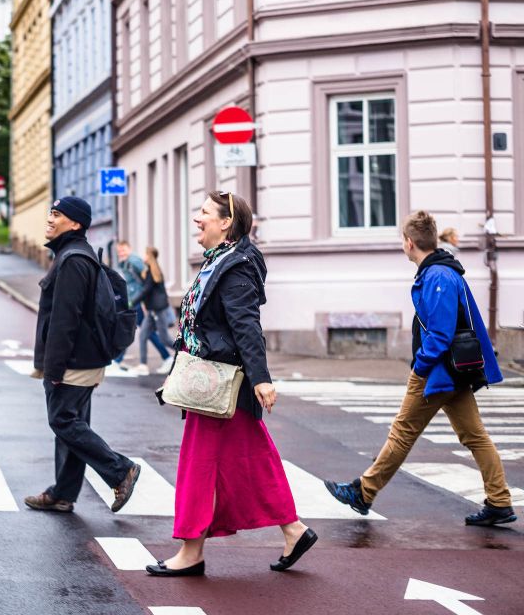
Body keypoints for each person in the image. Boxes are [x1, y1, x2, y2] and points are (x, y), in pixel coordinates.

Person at [146, 191, 316, 578]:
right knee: (252, 461)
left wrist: (262, 379)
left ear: (226, 223)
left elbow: (245, 325)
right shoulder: (219, 261)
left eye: (204, 213)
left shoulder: (234, 266)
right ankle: (293, 530)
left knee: (199, 465)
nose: (196, 219)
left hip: (220, 384)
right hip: (215, 380)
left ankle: (191, 551)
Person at [325, 211, 514, 526]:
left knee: (402, 433)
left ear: (409, 243)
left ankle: (364, 492)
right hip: (453, 371)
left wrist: (421, 367)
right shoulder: (442, 272)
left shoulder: (438, 276)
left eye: (403, 240)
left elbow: (440, 333)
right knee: (475, 435)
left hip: (438, 371)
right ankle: (499, 501)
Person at [24, 196, 141, 514]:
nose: (50, 218)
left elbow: (66, 319)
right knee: (73, 424)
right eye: (50, 212)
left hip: (74, 361)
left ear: (75, 224)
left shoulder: (73, 260)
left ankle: (120, 470)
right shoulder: (74, 255)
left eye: (57, 214)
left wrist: (53, 369)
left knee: (63, 421)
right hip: (83, 358)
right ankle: (63, 492)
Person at [113, 241, 169, 371]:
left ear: (129, 249)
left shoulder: (134, 260)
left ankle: (119, 360)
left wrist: (141, 300)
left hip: (137, 301)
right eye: (119, 251)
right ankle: (166, 357)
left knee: (130, 328)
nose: (121, 253)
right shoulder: (126, 262)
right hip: (135, 299)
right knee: (145, 332)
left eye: (123, 250)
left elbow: (146, 278)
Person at [130, 247, 172, 376]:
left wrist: (132, 302)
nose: (144, 257)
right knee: (143, 335)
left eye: (146, 254)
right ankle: (143, 365)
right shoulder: (149, 272)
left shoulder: (154, 272)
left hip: (158, 310)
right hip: (152, 310)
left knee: (165, 338)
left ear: (150, 256)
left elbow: (145, 290)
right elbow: (145, 286)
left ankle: (187, 353)